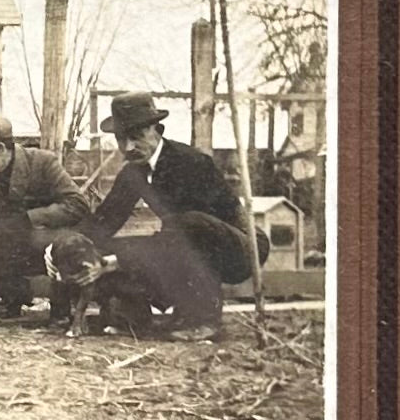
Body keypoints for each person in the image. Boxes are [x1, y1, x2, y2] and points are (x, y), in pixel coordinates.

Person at [74, 91, 269, 342]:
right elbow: (104, 222)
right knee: (108, 247)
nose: (128, 147)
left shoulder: (191, 163)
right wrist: (68, 247)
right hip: (181, 241)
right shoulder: (133, 173)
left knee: (185, 227)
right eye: (121, 139)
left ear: (157, 129)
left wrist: (119, 260)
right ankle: (131, 315)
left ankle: (203, 319)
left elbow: (195, 235)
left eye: (136, 137)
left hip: (239, 247)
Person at [0, 113, 89, 317]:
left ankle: (61, 300)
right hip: (9, 245)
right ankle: (18, 295)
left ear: (1, 149)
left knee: (63, 243)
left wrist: (29, 219)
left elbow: (77, 204)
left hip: (45, 243)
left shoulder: (42, 162)